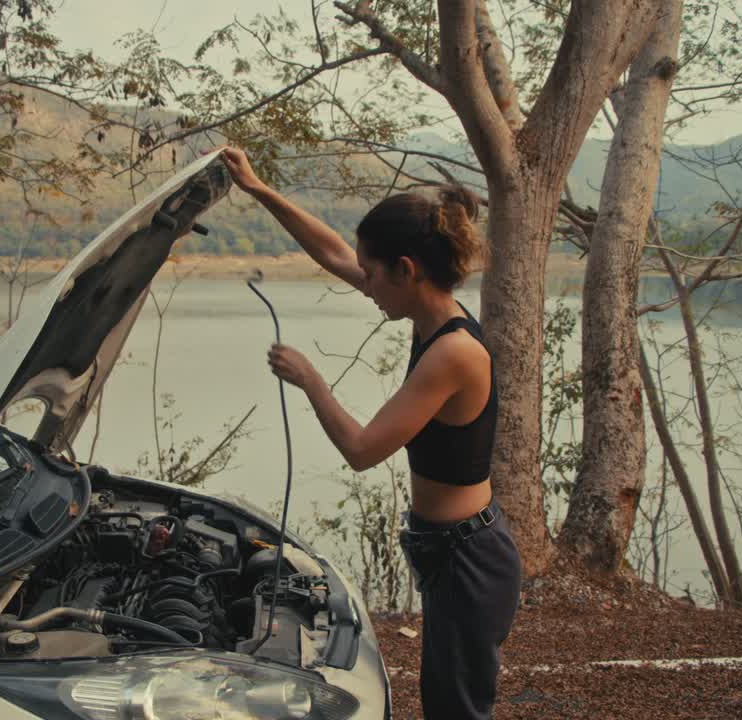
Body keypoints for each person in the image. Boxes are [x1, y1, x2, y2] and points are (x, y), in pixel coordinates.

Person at [220, 147, 522, 719]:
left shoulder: (454, 352)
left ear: (407, 269)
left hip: (469, 558)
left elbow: (362, 451)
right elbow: (333, 251)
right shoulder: (430, 315)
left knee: (455, 710)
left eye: (372, 273)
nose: (364, 283)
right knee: (445, 703)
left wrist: (310, 380)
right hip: (451, 551)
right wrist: (259, 189)